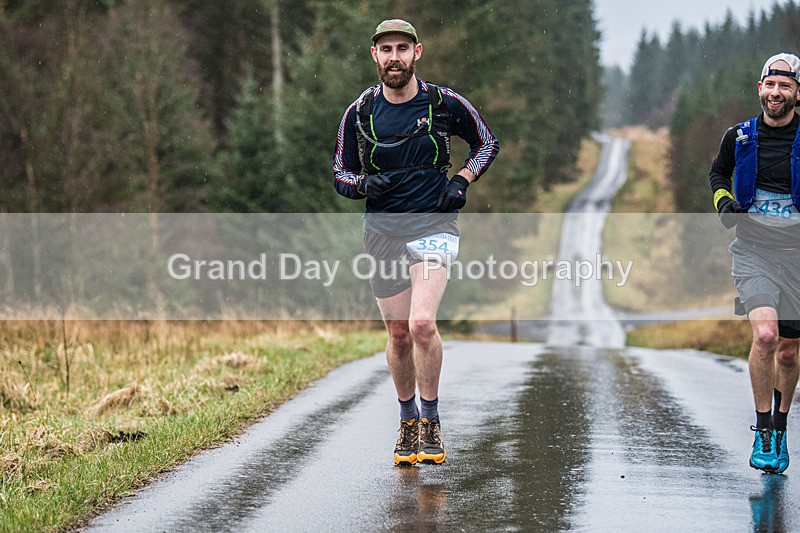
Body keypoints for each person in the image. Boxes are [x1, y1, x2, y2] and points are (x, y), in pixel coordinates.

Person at [332, 19, 499, 466]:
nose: (393, 57)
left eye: (401, 48)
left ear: (417, 52)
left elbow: (486, 143)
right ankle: (407, 423)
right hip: (382, 232)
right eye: (385, 49)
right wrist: (368, 184)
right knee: (399, 333)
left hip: (433, 224)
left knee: (423, 323)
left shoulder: (442, 103)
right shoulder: (361, 112)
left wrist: (462, 181)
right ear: (374, 56)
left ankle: (431, 421)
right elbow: (341, 174)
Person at [709, 53, 800, 474]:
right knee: (765, 336)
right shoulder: (739, 136)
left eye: (785, 86)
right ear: (759, 88)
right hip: (753, 254)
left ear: (797, 93)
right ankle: (763, 431)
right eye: (770, 85)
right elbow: (718, 175)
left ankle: (781, 426)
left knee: (788, 352)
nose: (776, 93)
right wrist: (724, 202)